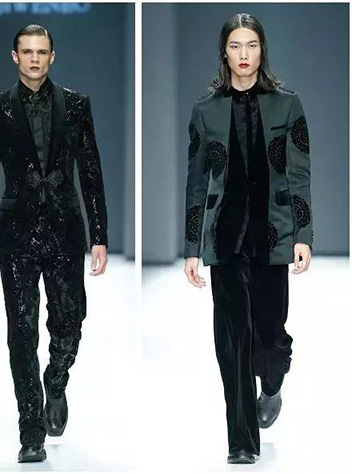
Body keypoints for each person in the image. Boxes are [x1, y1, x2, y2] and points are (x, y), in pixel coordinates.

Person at [0, 24, 108, 463]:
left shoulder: (77, 105)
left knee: (70, 321)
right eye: (27, 52)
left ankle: (56, 380)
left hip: (66, 230)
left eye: (41, 52)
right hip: (15, 233)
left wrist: (100, 235)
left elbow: (91, 171)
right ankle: (30, 429)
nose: (34, 59)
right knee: (21, 331)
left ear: (53, 56)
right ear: (15, 56)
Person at [183, 13, 313, 464]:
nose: (243, 54)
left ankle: (272, 384)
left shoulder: (287, 105)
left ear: (262, 50)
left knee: (271, 341)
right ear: (224, 51)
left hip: (272, 236)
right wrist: (192, 248)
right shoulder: (205, 109)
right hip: (224, 240)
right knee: (233, 340)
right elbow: (196, 185)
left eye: (251, 45)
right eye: (235, 45)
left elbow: (299, 174)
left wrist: (303, 235)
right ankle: (241, 442)